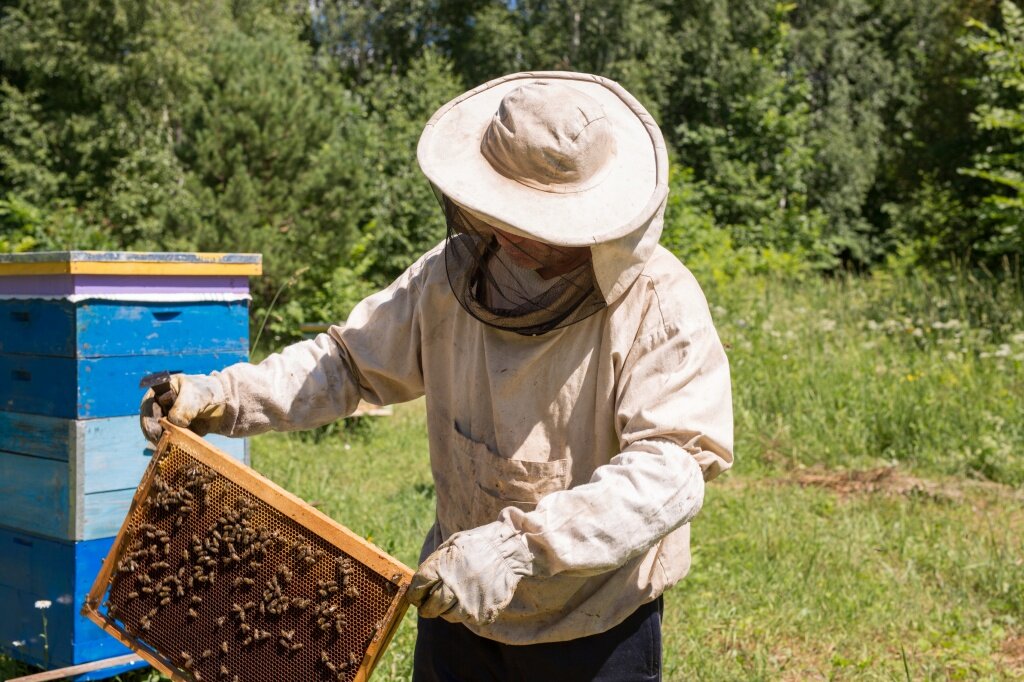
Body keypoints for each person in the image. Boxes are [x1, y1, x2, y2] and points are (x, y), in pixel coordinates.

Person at [140, 71, 733, 681]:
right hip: (459, 608)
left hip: (595, 621)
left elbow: (671, 469)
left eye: (537, 221)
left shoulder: (658, 302)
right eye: (505, 209)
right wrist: (223, 396)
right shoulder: (448, 277)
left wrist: (518, 548)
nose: (512, 235)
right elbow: (347, 363)